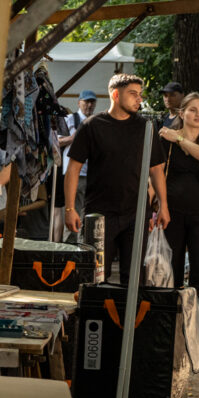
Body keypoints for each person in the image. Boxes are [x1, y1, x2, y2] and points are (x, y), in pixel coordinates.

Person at [64, 74, 170, 282]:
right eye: (133, 94)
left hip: (136, 212)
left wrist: (163, 205)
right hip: (99, 212)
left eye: (140, 94)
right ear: (115, 95)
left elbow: (157, 169)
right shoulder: (92, 126)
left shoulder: (146, 127)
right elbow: (73, 168)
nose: (139, 99)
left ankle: (128, 306)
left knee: (133, 277)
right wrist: (69, 208)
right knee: (95, 275)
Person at [160, 92, 199, 335]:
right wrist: (158, 206)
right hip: (172, 211)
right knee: (172, 266)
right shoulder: (165, 139)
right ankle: (171, 319)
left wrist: (178, 138)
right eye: (193, 110)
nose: (198, 115)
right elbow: (157, 174)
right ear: (182, 112)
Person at [56, 90, 97, 239]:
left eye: (92, 102)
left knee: (89, 212)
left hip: (92, 174)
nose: (89, 105)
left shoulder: (97, 122)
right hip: (74, 174)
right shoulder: (69, 119)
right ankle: (71, 245)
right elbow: (56, 142)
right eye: (86, 102)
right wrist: (73, 139)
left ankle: (84, 243)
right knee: (72, 209)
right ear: (79, 102)